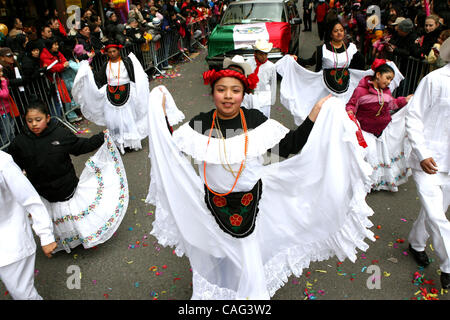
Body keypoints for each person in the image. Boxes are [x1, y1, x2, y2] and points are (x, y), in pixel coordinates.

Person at [145, 57, 376, 300]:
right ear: (212, 92)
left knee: (248, 259)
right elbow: (173, 150)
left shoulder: (254, 120)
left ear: (244, 94)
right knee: (218, 254)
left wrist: (313, 116)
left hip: (251, 203)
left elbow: (286, 147)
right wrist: (160, 117)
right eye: (221, 90)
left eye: (235, 90)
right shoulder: (201, 123)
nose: (227, 96)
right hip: (212, 203)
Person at [8, 96, 128, 253]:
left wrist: (102, 137)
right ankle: (61, 241)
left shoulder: (60, 134)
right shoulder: (19, 143)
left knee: (72, 216)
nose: (34, 124)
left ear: (48, 118)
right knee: (54, 218)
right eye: (30, 121)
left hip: (66, 186)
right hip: (42, 192)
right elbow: (12, 166)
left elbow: (80, 146)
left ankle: (82, 236)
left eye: (38, 119)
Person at [280, 20, 403, 125]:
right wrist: (296, 59)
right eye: (335, 31)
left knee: (342, 113)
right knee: (325, 113)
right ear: (331, 33)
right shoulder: (322, 49)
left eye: (341, 30)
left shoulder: (351, 48)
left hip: (346, 86)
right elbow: (309, 62)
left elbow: (364, 63)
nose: (339, 33)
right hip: (325, 87)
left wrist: (380, 64)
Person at [405, 37, 450, 289]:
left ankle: (416, 243)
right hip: (428, 161)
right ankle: (449, 266)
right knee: (436, 214)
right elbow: (413, 116)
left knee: (435, 213)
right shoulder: (433, 80)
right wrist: (421, 153)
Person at [346, 59, 413, 192]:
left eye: (391, 80)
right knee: (366, 159)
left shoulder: (386, 92)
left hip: (380, 132)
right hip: (365, 132)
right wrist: (350, 114)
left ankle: (371, 183)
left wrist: (405, 100)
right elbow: (351, 105)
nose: (388, 82)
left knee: (376, 160)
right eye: (387, 78)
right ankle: (359, 185)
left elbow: (392, 105)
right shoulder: (361, 91)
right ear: (378, 75)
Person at [72, 40, 149, 154]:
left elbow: (135, 75)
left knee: (128, 118)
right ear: (107, 53)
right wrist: (88, 73)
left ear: (118, 51)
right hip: (110, 94)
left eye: (114, 51)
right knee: (114, 120)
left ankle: (129, 142)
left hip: (127, 92)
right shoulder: (105, 65)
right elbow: (99, 79)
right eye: (109, 52)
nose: (112, 54)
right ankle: (119, 143)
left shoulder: (127, 62)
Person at [0, 150, 57, 300]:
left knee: (23, 295)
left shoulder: (2, 162)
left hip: (9, 245)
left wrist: (46, 235)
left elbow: (30, 199)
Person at [241, 40, 277, 119]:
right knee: (250, 119)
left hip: (264, 98)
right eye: (261, 54)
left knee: (263, 120)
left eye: (265, 54)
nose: (263, 56)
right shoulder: (248, 63)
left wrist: (272, 100)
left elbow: (273, 84)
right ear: (255, 53)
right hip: (250, 96)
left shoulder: (271, 66)